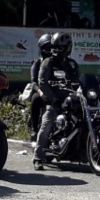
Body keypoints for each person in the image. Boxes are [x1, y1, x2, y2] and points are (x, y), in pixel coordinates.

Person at [32, 32, 79, 169]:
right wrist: (54, 99)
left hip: (71, 101)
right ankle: (38, 157)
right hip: (54, 102)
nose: (57, 51)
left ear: (68, 48)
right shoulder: (48, 62)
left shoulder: (72, 64)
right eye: (55, 47)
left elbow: (78, 81)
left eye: (60, 48)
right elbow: (42, 82)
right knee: (46, 124)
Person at [28, 33, 53, 137]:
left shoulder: (57, 63)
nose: (49, 51)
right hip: (40, 90)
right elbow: (33, 82)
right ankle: (34, 129)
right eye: (46, 48)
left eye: (51, 48)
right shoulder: (37, 63)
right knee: (36, 99)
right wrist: (41, 92)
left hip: (55, 90)